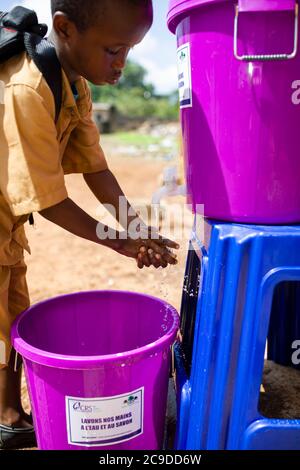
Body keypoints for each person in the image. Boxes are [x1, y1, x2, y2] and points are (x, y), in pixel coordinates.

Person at [0, 0, 179, 449]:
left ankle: (8, 417)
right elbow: (49, 200)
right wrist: (118, 242)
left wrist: (134, 227)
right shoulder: (26, 88)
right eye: (114, 49)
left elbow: (95, 169)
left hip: (7, 227)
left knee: (10, 313)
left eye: (130, 51)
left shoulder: (74, 83)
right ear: (65, 28)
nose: (122, 64)